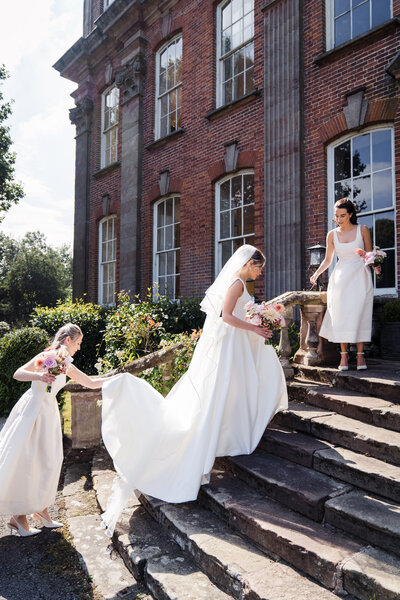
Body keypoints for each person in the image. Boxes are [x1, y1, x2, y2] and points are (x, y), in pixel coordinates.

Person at [101, 245, 288, 536]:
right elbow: (226, 316)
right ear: (250, 263)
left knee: (238, 390)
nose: (260, 273)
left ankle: (235, 433)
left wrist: (259, 318)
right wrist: (255, 327)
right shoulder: (237, 284)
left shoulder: (238, 283)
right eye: (258, 267)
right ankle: (221, 439)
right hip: (231, 347)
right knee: (221, 394)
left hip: (235, 345)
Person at [0, 323, 117, 537]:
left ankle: (41, 510)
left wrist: (118, 379)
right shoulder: (47, 356)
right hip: (32, 410)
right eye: (78, 343)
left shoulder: (66, 362)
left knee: (49, 461)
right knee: (28, 460)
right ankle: (18, 517)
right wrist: (39, 376)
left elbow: (90, 383)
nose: (80, 348)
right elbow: (18, 373)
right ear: (67, 340)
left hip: (48, 411)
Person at [310, 198, 378, 371]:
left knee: (360, 312)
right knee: (341, 314)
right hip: (340, 276)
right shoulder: (332, 235)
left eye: (342, 215)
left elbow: (368, 255)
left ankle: (361, 356)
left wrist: (375, 265)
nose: (339, 219)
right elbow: (328, 259)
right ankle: (344, 356)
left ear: (351, 214)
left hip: (360, 275)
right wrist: (317, 273)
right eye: (336, 216)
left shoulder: (362, 230)